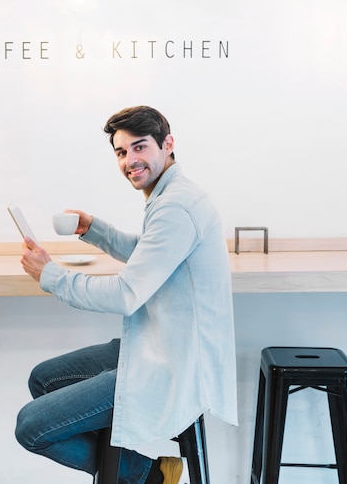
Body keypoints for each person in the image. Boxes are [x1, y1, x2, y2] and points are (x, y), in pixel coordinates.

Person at [16, 105, 237, 484]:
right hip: (159, 343)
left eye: (139, 147)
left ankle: (148, 475)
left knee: (31, 427)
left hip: (173, 364)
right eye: (121, 152)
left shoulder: (176, 207)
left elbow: (126, 293)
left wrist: (52, 276)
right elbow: (147, 251)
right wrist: (94, 229)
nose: (130, 160)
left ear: (167, 144)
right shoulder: (170, 195)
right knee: (44, 379)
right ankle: (124, 465)